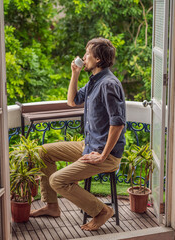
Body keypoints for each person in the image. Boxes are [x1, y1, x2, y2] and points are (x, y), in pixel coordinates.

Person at [30, 37, 126, 231]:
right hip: (88, 146)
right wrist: (75, 73)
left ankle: (101, 211)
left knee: (57, 180)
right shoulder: (94, 82)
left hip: (106, 155)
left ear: (98, 59)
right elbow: (72, 101)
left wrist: (103, 155)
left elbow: (118, 124)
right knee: (43, 152)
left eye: (87, 53)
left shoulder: (109, 84)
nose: (84, 56)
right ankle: (51, 206)